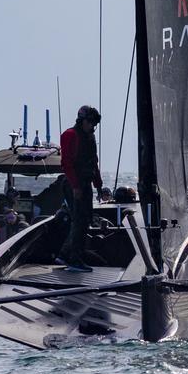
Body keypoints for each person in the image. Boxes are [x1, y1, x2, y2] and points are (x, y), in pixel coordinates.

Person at [60, 104, 103, 272]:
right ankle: (74, 258)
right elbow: (67, 164)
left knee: (85, 219)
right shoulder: (70, 135)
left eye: (94, 124)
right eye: (91, 123)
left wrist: (98, 185)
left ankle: (65, 253)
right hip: (73, 184)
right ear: (82, 120)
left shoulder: (90, 138)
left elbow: (94, 163)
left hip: (85, 183)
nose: (93, 127)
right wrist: (75, 186)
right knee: (79, 220)